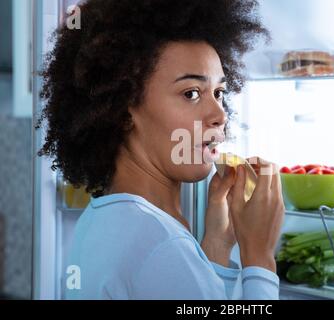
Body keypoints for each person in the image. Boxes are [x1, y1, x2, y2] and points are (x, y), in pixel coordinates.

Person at [37, 0, 284, 299]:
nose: (220, 114)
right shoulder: (160, 246)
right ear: (123, 109)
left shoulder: (102, 219)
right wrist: (259, 256)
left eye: (219, 92)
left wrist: (218, 244)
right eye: (191, 93)